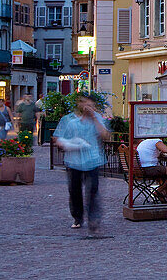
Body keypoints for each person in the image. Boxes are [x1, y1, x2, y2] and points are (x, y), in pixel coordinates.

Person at [53, 93, 109, 233]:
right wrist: (67, 144)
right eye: (84, 104)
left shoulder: (98, 119)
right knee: (74, 190)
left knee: (93, 191)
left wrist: (95, 118)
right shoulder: (69, 120)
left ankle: (93, 219)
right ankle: (77, 217)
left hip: (92, 159)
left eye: (90, 105)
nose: (87, 107)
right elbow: (57, 138)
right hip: (74, 161)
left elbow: (105, 135)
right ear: (79, 104)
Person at [136, 134, 167, 200]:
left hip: (141, 169)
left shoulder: (144, 142)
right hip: (150, 169)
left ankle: (162, 194)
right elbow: (166, 150)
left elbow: (151, 153)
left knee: (164, 173)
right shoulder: (156, 140)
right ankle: (159, 191)